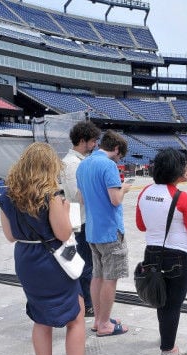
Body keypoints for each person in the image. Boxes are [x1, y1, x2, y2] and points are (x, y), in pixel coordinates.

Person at [0, 142, 105, 355]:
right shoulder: (52, 196)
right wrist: (66, 211)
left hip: (25, 258)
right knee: (76, 315)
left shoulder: (7, 196)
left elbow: (10, 236)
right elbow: (64, 233)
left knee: (40, 317)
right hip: (52, 260)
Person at [136, 149, 187, 355]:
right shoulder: (182, 198)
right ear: (176, 169)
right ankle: (168, 348)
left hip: (152, 252)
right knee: (173, 304)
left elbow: (140, 225)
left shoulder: (144, 192)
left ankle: (165, 336)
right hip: (179, 255)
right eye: (184, 165)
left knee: (161, 299)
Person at [76, 130, 131, 337]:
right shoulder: (109, 165)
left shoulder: (84, 164)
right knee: (111, 278)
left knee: (97, 275)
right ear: (116, 149)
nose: (119, 159)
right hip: (110, 230)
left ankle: (98, 319)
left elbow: (80, 199)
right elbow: (115, 199)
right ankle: (106, 324)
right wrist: (124, 188)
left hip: (92, 229)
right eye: (120, 155)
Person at [60, 120, 101, 317]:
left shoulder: (81, 162)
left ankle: (88, 298)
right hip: (80, 222)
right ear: (83, 141)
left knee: (89, 263)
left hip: (86, 220)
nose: (95, 145)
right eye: (93, 141)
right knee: (85, 264)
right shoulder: (71, 165)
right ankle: (87, 303)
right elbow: (77, 196)